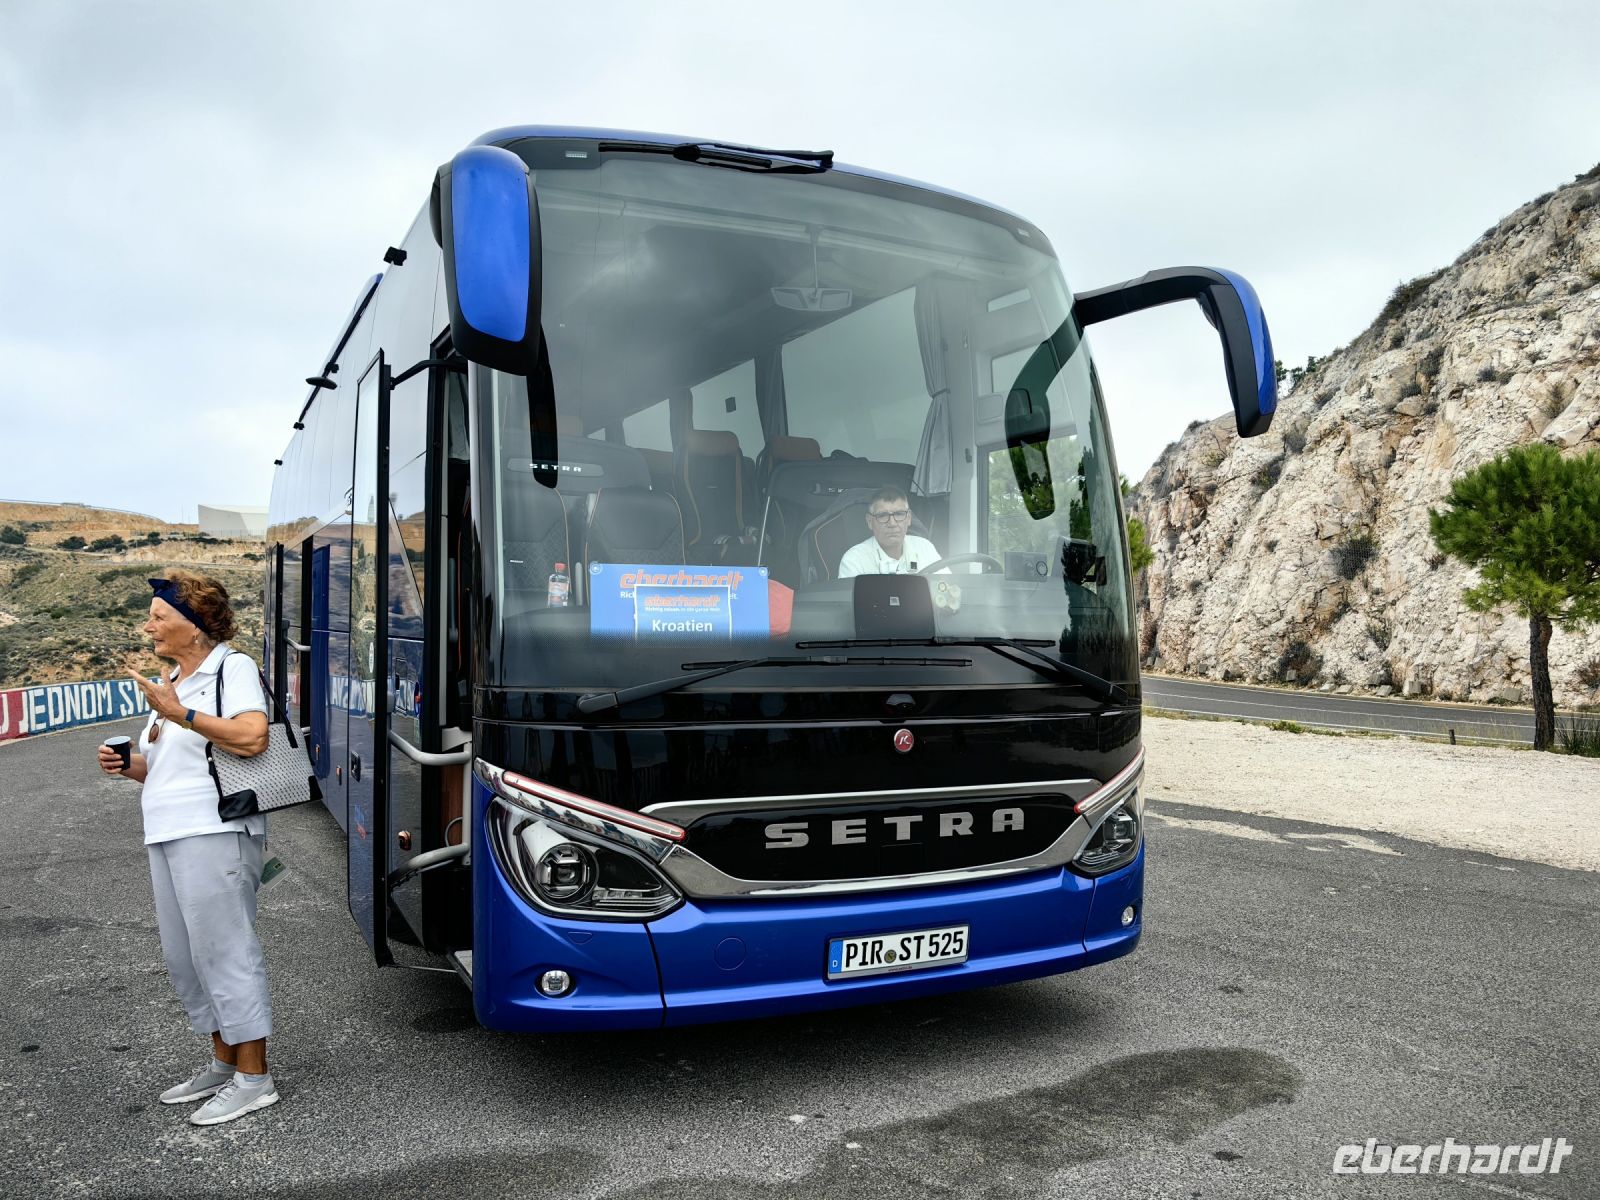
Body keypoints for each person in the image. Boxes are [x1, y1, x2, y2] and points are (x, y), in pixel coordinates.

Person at [96, 570, 278, 1126]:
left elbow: (253, 737)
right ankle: (225, 1065)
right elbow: (167, 767)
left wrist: (179, 713)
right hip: (168, 829)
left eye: (158, 616)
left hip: (215, 829)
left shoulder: (231, 667)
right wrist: (128, 765)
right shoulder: (173, 680)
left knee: (225, 951)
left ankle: (255, 1079)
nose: (147, 626)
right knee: (187, 957)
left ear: (195, 625)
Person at [838, 486, 942, 578]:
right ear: (870, 521)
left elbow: (947, 588)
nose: (892, 523)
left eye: (899, 514)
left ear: (909, 518)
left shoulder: (925, 548)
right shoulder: (854, 560)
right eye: (882, 515)